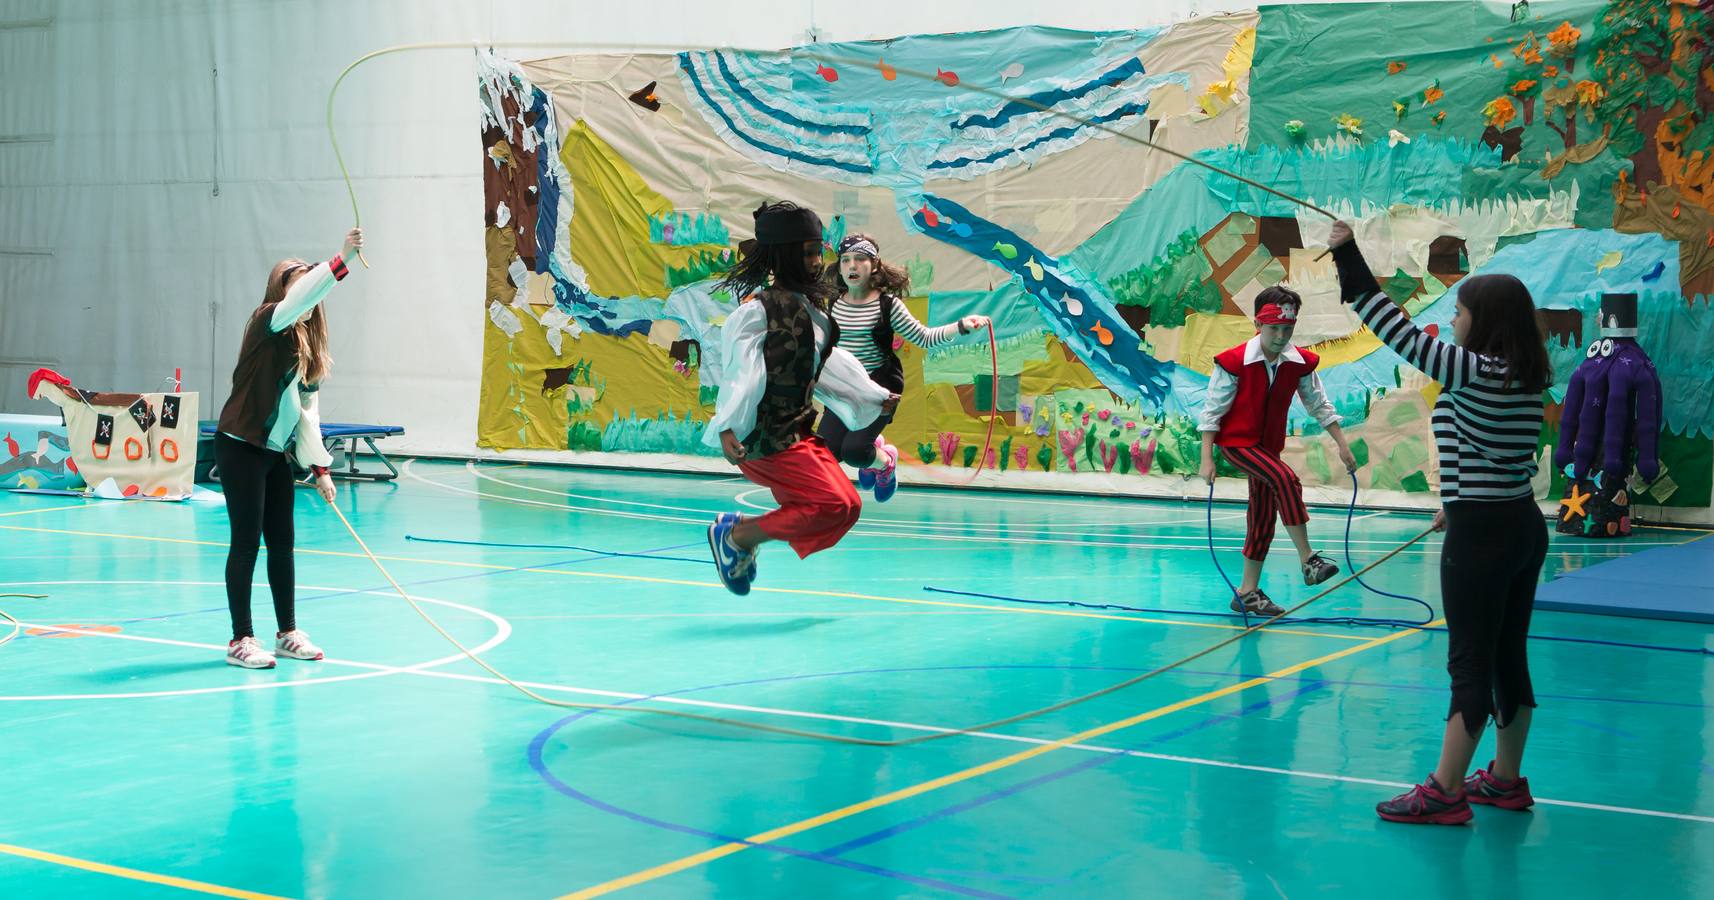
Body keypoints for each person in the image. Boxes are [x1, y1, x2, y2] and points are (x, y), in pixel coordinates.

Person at [1329, 220, 1550, 824]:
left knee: (1470, 662)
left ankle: (1446, 791)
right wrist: (1455, 504)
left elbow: (1391, 326)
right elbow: (1491, 455)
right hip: (1518, 526)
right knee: (1508, 656)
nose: (1453, 321)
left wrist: (1347, 251)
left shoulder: (1472, 369)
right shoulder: (1525, 374)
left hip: (1482, 535)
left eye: (1459, 312)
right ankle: (1504, 781)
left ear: (1486, 322)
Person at [702, 203, 898, 594]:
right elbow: (742, 372)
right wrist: (727, 425)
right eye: (806, 252)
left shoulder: (816, 314)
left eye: (816, 251)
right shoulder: (758, 312)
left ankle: (738, 537)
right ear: (784, 255)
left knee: (845, 508)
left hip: (797, 432)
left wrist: (872, 396)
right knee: (834, 503)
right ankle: (738, 538)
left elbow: (827, 368)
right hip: (765, 437)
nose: (814, 261)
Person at [215, 228, 363, 668]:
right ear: (281, 291)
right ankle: (240, 639)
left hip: (274, 452)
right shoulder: (269, 319)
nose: (301, 284)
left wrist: (320, 468)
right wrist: (342, 259)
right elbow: (304, 296)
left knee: (283, 543)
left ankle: (287, 633)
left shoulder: (306, 348)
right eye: (293, 279)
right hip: (240, 446)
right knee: (246, 544)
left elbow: (306, 412)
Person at [1199, 286, 1357, 617]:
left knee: (1263, 516)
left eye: (1288, 329)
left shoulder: (1298, 363)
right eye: (1274, 329)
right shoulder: (1234, 362)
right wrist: (1207, 457)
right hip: (1237, 443)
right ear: (1258, 324)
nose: (1281, 336)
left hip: (1268, 448)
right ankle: (1308, 560)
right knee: (1285, 480)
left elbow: (1319, 404)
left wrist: (1342, 444)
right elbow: (1212, 410)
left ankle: (1247, 593)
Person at [824, 234, 988, 501]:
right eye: (846, 260)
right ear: (840, 266)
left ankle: (886, 462)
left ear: (874, 265)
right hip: (844, 385)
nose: (852, 266)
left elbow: (924, 337)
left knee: (855, 453)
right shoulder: (832, 303)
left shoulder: (887, 306)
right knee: (828, 451)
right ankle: (875, 446)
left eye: (860, 259)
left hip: (878, 387)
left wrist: (960, 326)